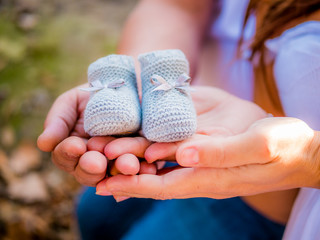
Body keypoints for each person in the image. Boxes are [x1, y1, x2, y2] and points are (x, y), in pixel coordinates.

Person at [37, 0, 320, 239]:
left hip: (271, 201)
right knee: (94, 216)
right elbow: (178, 5)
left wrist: (310, 156)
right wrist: (137, 76)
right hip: (199, 127)